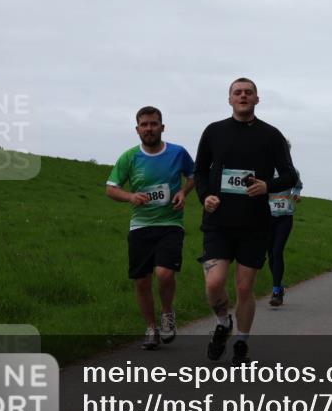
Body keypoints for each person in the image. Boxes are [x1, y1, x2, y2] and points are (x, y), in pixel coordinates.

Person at [194, 78, 297, 364]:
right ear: (229, 99)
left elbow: (290, 175)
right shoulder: (214, 132)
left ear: (256, 99)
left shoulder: (271, 135)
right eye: (237, 92)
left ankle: (241, 341)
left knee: (243, 288)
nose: (243, 96)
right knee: (214, 283)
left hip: (254, 223)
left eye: (248, 92)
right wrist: (205, 197)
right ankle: (223, 322)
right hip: (218, 221)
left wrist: (268, 186)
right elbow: (200, 171)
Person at [106, 106, 195, 350]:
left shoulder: (178, 153)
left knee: (165, 274)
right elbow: (111, 188)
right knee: (142, 281)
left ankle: (167, 314)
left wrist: (182, 192)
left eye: (154, 124)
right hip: (140, 226)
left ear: (162, 127)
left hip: (170, 223)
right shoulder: (129, 157)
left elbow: (194, 176)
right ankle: (151, 328)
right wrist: (131, 197)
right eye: (144, 125)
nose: (149, 129)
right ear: (137, 129)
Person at [267, 147, 303, 307]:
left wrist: (296, 194)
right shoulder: (265, 168)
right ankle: (279, 286)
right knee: (270, 255)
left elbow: (298, 185)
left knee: (277, 251)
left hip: (285, 217)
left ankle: (276, 292)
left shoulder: (293, 171)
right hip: (267, 217)